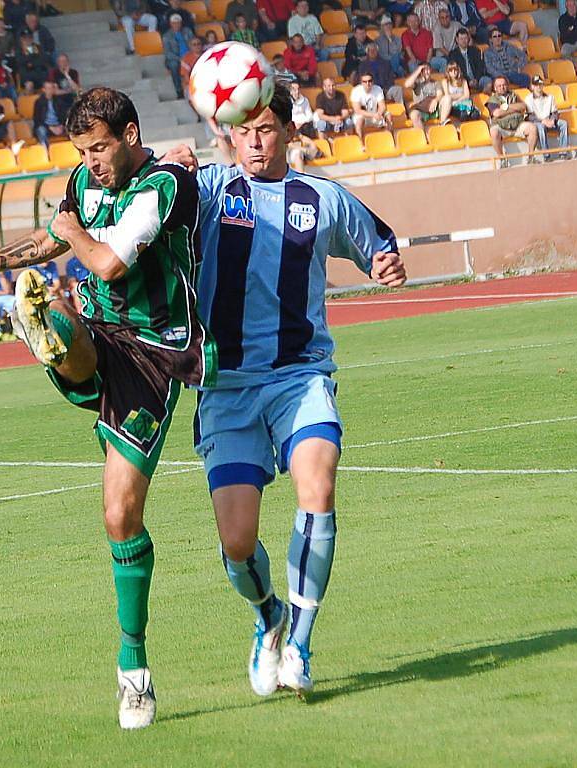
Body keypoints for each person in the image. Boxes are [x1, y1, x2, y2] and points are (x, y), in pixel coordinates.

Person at [0, 86, 217, 731]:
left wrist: (70, 232)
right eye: (82, 151)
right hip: (101, 333)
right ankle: (58, 340)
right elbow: (57, 240)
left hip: (154, 354)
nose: (90, 161)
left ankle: (134, 669)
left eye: (99, 148)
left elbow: (109, 261)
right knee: (62, 311)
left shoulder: (165, 184)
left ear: (130, 134)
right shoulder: (84, 182)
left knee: (120, 516)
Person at [162, 82, 405, 699]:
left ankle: (299, 640)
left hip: (300, 377)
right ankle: (268, 615)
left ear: (288, 134)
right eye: (243, 129)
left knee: (318, 488)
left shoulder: (321, 199)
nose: (255, 139)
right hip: (228, 386)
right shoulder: (214, 190)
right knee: (237, 542)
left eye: (266, 128)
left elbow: (379, 243)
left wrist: (385, 264)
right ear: (227, 134)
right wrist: (173, 163)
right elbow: (162, 193)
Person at [487, 74, 538, 166]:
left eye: (504, 85)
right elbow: (497, 113)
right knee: (494, 132)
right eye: (499, 86)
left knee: (532, 128)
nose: (502, 87)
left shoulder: (514, 95)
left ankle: (531, 157)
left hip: (517, 124)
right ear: (495, 88)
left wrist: (506, 107)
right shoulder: (492, 100)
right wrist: (514, 109)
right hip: (502, 127)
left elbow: (523, 106)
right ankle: (502, 159)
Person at [524, 74, 571, 160]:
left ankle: (563, 152)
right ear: (532, 86)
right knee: (541, 127)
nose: (539, 87)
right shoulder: (528, 99)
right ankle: (546, 155)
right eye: (536, 85)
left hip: (549, 120)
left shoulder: (550, 97)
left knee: (564, 124)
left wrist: (552, 120)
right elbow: (529, 116)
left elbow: (555, 112)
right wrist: (543, 121)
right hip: (538, 122)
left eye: (540, 84)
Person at [448, 26, 492, 92]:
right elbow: (456, 71)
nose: (464, 41)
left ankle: (485, 99)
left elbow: (480, 66)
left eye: (465, 38)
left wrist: (476, 79)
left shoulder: (475, 50)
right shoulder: (453, 54)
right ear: (457, 40)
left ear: (468, 39)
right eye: (461, 39)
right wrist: (468, 81)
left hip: (477, 79)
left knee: (488, 81)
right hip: (463, 80)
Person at [351, 72, 393, 138]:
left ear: (373, 82)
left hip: (376, 114)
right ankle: (361, 144)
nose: (368, 83)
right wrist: (373, 115)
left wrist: (379, 113)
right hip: (363, 116)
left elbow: (382, 106)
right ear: (361, 82)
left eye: (370, 81)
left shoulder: (378, 89)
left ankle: (389, 138)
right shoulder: (356, 91)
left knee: (389, 115)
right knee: (359, 121)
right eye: (365, 81)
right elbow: (357, 110)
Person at [163, 13, 194, 98]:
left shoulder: (187, 31)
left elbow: (193, 43)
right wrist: (180, 59)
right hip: (176, 58)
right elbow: (168, 53)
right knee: (174, 65)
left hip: (189, 55)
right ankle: (179, 90)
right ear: (171, 24)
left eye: (178, 23)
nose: (177, 25)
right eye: (174, 23)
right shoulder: (167, 36)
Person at [405, 62, 443, 128]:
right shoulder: (417, 83)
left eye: (428, 69)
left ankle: (443, 123)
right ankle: (422, 136)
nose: (426, 72)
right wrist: (418, 70)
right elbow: (407, 85)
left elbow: (440, 94)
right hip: (421, 109)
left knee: (447, 99)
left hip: (433, 109)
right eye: (424, 70)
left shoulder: (436, 83)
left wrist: (435, 100)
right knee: (414, 114)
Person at [33, 80, 68, 145]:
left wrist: (61, 126)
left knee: (71, 129)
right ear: (44, 89)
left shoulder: (58, 101)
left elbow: (64, 116)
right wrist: (50, 127)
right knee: (41, 130)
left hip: (58, 125)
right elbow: (37, 120)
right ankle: (45, 152)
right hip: (46, 127)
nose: (50, 90)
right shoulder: (39, 102)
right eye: (48, 88)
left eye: (52, 88)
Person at [431, 6, 457, 71]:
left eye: (447, 17)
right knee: (446, 62)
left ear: (450, 17)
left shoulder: (456, 25)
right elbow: (440, 47)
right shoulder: (436, 28)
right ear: (439, 19)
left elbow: (466, 33)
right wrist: (453, 57)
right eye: (442, 18)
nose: (445, 19)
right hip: (442, 56)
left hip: (454, 54)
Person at [181, 36, 203, 102]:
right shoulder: (186, 58)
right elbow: (186, 77)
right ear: (190, 46)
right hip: (191, 85)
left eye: (198, 44)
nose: (197, 46)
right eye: (194, 44)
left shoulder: (207, 55)